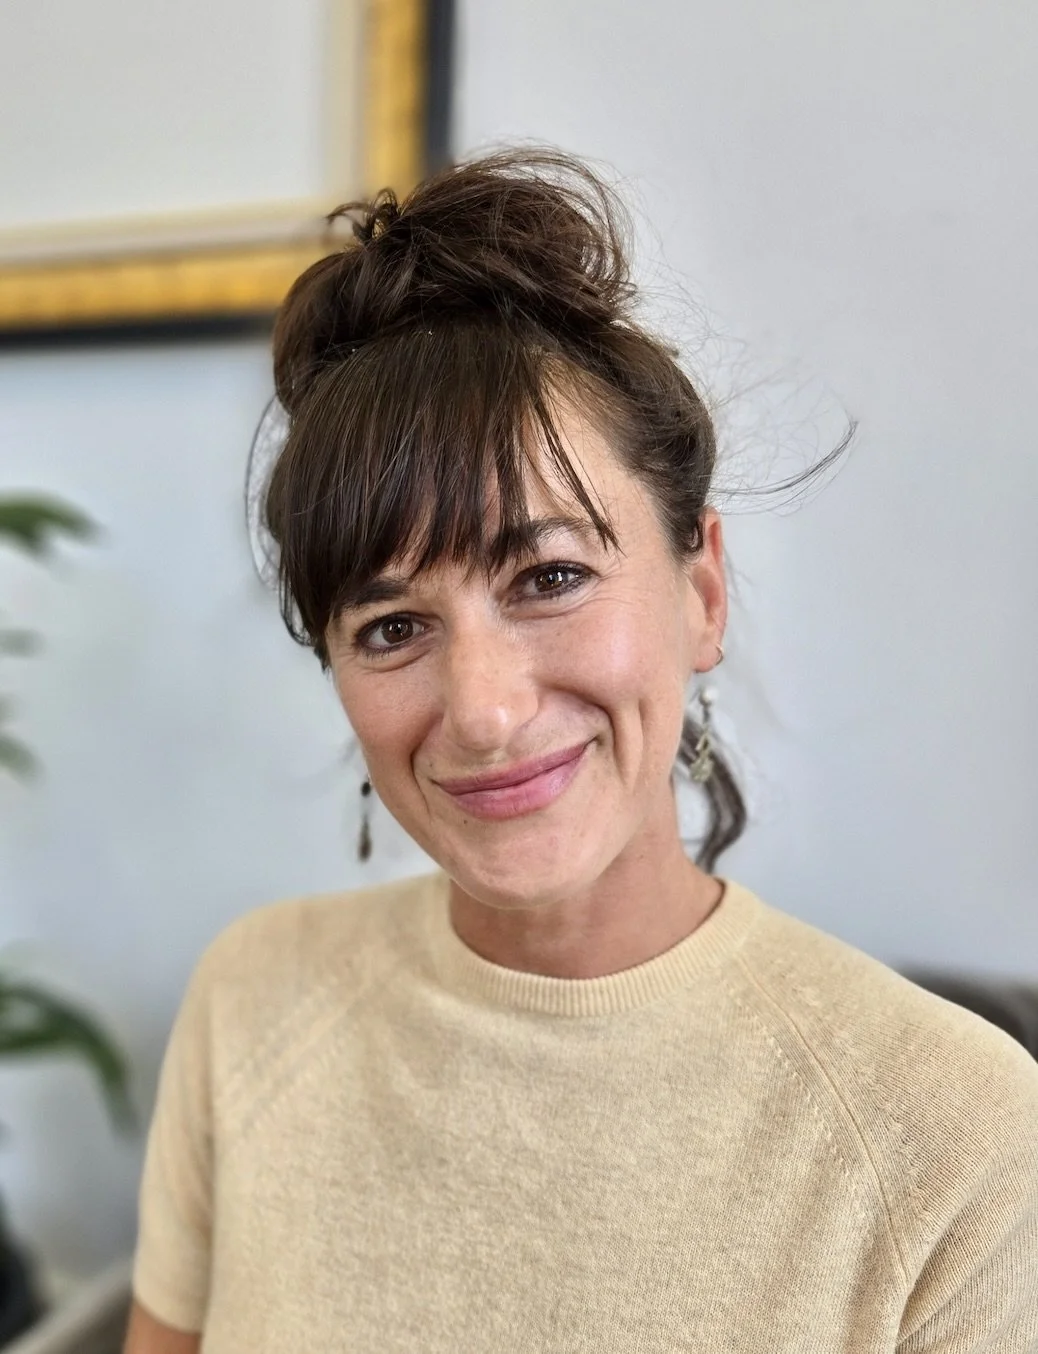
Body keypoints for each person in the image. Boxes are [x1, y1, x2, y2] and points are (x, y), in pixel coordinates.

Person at [123, 149, 1038, 1354]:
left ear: (702, 589)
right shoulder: (254, 999)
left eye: (551, 576)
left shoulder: (957, 1135)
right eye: (393, 627)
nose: (486, 711)